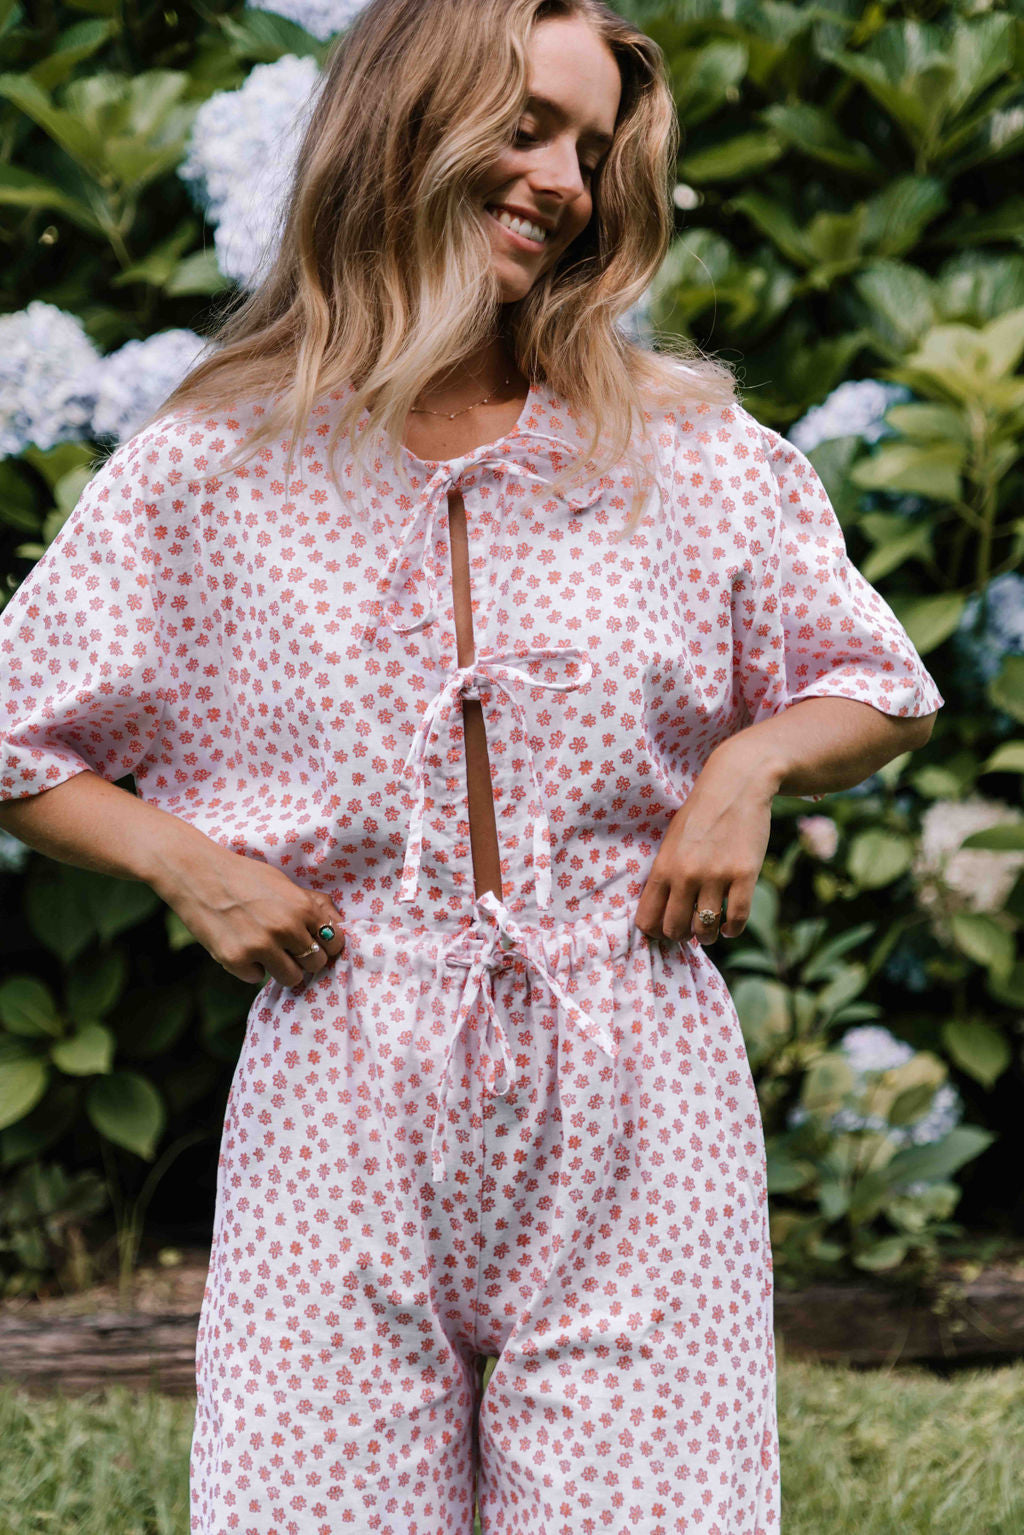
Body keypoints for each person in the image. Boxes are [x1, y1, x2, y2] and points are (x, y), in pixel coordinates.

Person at [0, 1, 943, 1531]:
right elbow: (14, 735)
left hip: (638, 1095)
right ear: (400, 122)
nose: (566, 178)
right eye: (526, 126)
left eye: (589, 144)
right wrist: (186, 864)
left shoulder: (684, 451)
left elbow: (881, 686)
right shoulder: (213, 467)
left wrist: (751, 765)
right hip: (340, 1082)